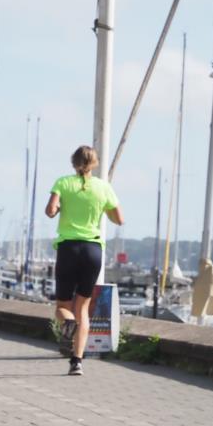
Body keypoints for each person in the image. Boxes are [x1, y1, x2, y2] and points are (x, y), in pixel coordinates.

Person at [44, 145, 124, 376]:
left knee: (62, 307)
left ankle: (67, 326)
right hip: (92, 250)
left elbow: (50, 210)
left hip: (69, 248)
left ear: (73, 162)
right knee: (83, 309)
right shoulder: (103, 187)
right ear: (95, 163)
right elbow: (119, 219)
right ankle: (76, 362)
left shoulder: (63, 183)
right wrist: (102, 209)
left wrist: (58, 208)